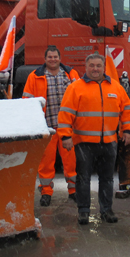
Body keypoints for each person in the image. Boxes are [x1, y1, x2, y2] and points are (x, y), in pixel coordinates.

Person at [58, 53, 130, 225]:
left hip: (109, 142)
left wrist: (127, 130)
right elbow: (65, 114)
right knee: (83, 178)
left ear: (103, 68)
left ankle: (106, 210)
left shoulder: (115, 87)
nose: (95, 69)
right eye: (91, 65)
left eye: (98, 65)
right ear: (86, 67)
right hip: (84, 143)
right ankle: (83, 211)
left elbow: (126, 110)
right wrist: (65, 136)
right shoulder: (75, 88)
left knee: (107, 179)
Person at [23, 46, 81, 206]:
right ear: (45, 59)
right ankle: (46, 192)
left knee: (71, 161)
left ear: (60, 58)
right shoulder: (34, 77)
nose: (53, 59)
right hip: (46, 127)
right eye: (50, 57)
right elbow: (27, 101)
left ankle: (73, 190)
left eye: (55, 57)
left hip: (67, 128)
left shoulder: (71, 74)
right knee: (46, 162)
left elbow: (80, 97)